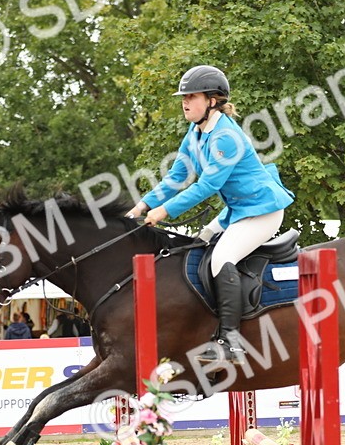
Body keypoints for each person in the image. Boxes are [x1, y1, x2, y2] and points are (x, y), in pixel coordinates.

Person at [126, 65, 294, 366]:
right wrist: (141, 207)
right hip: (238, 210)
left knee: (221, 258)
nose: (185, 102)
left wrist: (163, 211)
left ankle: (231, 343)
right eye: (184, 97)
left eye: (191, 96)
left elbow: (207, 186)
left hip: (263, 211)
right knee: (200, 243)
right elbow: (177, 176)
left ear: (212, 100)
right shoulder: (196, 132)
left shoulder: (225, 136)